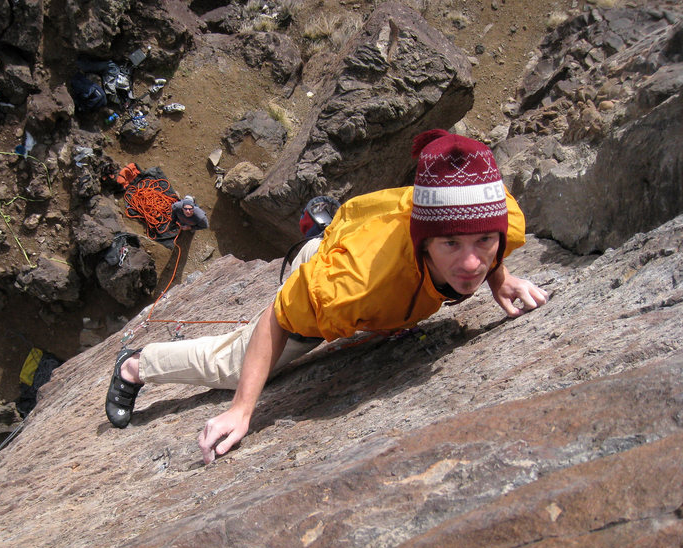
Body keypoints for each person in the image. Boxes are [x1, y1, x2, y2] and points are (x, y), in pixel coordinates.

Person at [104, 130, 549, 464]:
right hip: (329, 273)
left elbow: (486, 238)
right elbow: (276, 320)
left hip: (364, 244)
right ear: (423, 242)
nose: (473, 263)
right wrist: (242, 410)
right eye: (452, 244)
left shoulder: (498, 219)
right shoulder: (352, 286)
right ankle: (138, 364)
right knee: (235, 367)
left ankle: (322, 228)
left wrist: (499, 279)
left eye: (484, 244)